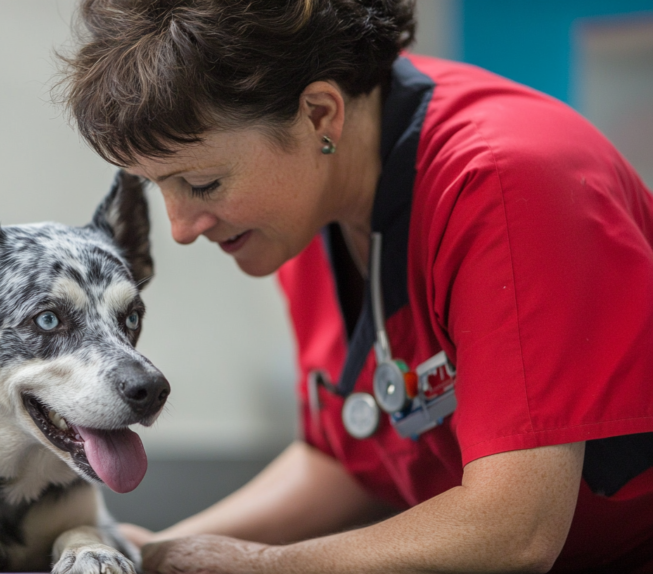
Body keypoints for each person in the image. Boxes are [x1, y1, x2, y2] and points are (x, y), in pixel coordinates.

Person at [57, 0, 653, 572]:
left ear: (320, 114)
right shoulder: (303, 207)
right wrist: (153, 553)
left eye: (204, 183)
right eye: (160, 186)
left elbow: (515, 530)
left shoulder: (504, 184)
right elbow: (349, 459)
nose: (182, 229)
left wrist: (264, 568)